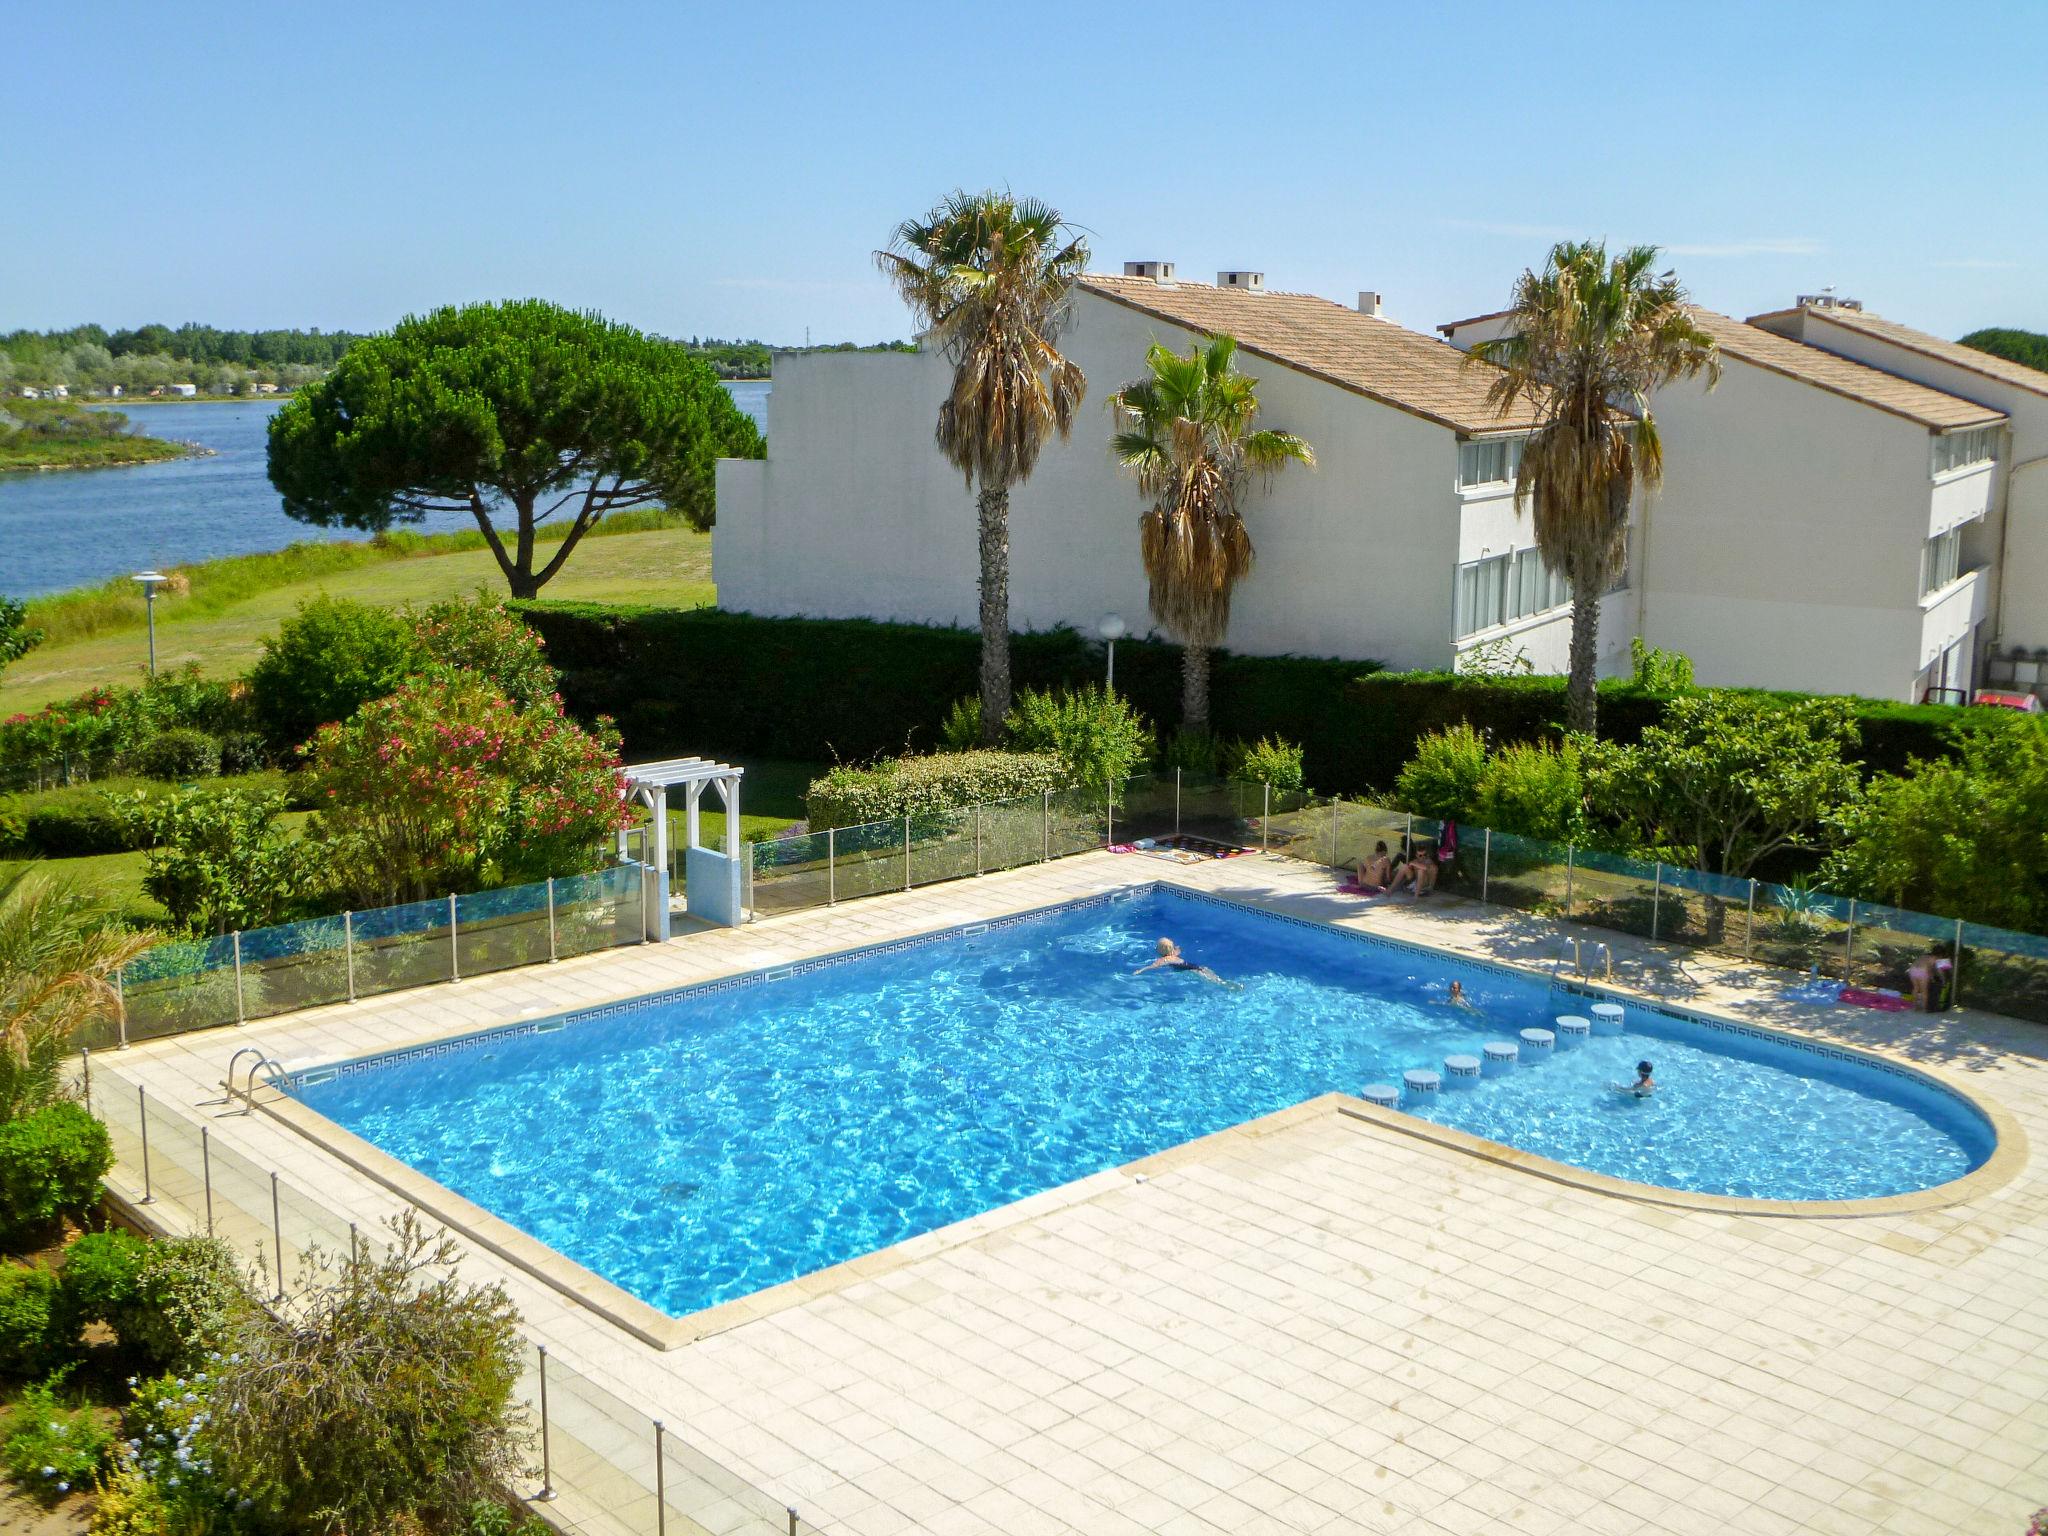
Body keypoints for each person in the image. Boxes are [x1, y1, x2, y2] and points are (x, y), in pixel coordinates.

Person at [1133, 936, 1226, 985]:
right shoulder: (1174, 954)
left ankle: (1225, 985)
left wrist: (1140, 970)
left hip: (1188, 969)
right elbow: (1178, 949)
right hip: (1193, 965)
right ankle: (1224, 983)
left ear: (1160, 950)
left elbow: (1153, 966)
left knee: (1211, 981)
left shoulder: (1164, 959)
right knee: (1212, 976)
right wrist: (1176, 947)